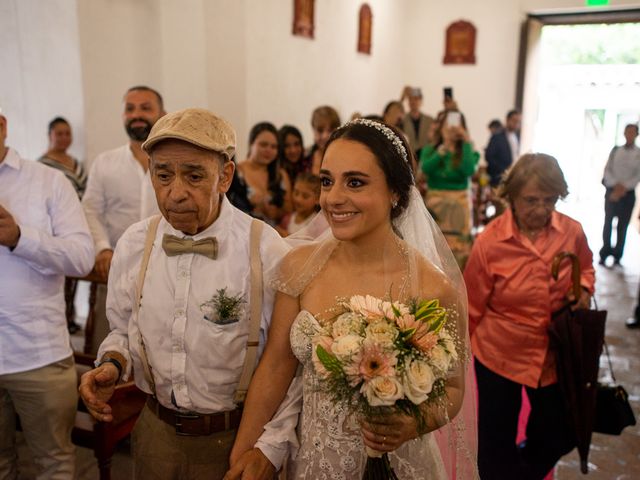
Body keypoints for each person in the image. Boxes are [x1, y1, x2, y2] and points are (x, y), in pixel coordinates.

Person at [227, 119, 478, 479]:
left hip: (397, 463)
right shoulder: (299, 267)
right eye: (327, 181)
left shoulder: (434, 288)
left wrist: (411, 424)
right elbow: (275, 369)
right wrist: (244, 452)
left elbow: (453, 390)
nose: (333, 198)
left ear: (395, 191)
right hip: (315, 460)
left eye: (355, 182)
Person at [78, 108, 298, 479]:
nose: (175, 193)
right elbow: (122, 328)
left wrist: (269, 447)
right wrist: (112, 363)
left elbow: (289, 365)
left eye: (194, 176)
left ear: (225, 176)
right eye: (163, 175)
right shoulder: (134, 243)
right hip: (153, 435)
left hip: (235, 440)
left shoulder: (266, 249)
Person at [464, 153, 594, 480]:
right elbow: (471, 304)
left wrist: (584, 290)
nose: (540, 209)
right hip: (499, 353)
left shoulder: (571, 232)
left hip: (553, 352)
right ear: (511, 197)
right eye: (531, 200)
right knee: (494, 442)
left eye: (549, 200)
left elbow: (587, 269)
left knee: (557, 431)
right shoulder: (490, 242)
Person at [0, 110, 94, 478]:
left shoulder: (48, 182)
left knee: (53, 465)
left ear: (3, 125)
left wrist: (20, 238)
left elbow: (82, 258)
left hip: (37, 353)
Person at [81, 86, 165, 352]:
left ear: (162, 114)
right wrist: (102, 247)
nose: (136, 114)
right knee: (109, 347)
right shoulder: (105, 163)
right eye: (130, 108)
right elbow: (90, 209)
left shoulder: (172, 162)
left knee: (160, 349)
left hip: (166, 271)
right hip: (114, 269)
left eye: (145, 108)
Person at [39, 116, 89, 334]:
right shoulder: (41, 166)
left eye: (68, 133)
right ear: (50, 135)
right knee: (59, 276)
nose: (64, 138)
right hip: (54, 229)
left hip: (77, 226)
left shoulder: (76, 163)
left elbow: (86, 194)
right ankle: (60, 318)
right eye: (59, 133)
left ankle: (70, 314)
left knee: (75, 274)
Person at [421, 113, 479, 266]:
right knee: (435, 250)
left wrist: (465, 141)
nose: (452, 128)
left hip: (460, 207)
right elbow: (426, 168)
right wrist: (444, 148)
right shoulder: (431, 149)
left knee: (460, 254)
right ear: (441, 128)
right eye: (448, 124)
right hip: (436, 207)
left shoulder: (467, 149)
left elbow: (468, 170)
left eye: (456, 125)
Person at [235, 122, 292, 226]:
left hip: (273, 232)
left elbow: (290, 208)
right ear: (251, 144)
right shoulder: (237, 172)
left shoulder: (280, 175)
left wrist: (276, 212)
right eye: (263, 145)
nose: (268, 150)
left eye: (274, 147)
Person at [599, 123, 640, 266]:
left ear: (636, 134)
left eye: (632, 132)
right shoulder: (616, 150)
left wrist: (624, 188)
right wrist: (615, 186)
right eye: (627, 131)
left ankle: (617, 254)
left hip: (627, 194)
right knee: (608, 223)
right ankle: (605, 252)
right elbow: (608, 169)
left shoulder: (638, 154)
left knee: (622, 226)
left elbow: (637, 176)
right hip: (612, 191)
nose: (629, 134)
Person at [485, 110, 521, 188]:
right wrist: (504, 170)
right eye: (514, 121)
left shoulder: (516, 137)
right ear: (507, 120)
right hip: (498, 177)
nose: (516, 124)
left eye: (518, 122)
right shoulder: (497, 136)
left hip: (512, 176)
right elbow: (489, 157)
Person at [401, 86, 434, 159]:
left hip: (427, 156)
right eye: (410, 99)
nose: (413, 102)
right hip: (409, 156)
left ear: (421, 101)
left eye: (416, 99)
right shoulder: (403, 120)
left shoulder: (430, 120)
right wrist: (402, 98)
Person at [306, 105, 341, 174]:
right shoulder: (306, 157)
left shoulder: (345, 156)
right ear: (313, 130)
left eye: (330, 130)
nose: (325, 136)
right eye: (320, 130)